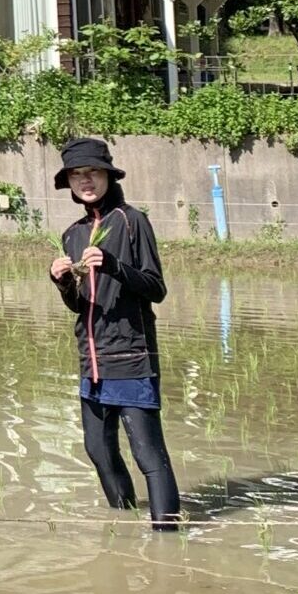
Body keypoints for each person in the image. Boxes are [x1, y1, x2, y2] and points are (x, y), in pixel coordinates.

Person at [49, 137, 180, 531]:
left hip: (130, 356)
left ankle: (168, 536)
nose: (85, 180)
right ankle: (124, 525)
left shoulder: (132, 221)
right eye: (76, 174)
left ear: (108, 174)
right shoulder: (72, 234)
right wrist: (60, 282)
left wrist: (113, 265)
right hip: (92, 362)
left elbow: (156, 288)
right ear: (69, 182)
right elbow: (80, 305)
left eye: (92, 172)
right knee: (98, 450)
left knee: (148, 455)